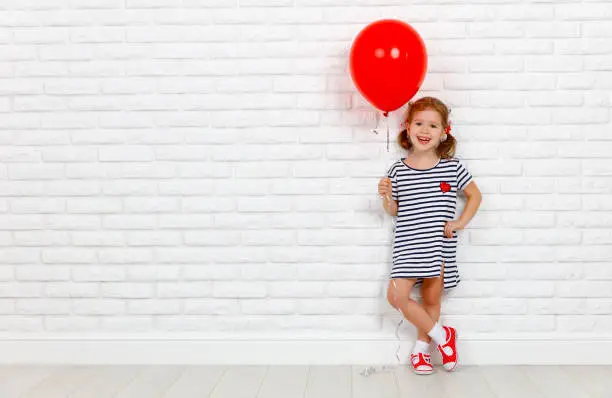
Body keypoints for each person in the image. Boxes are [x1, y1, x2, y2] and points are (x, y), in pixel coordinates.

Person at [378, 97, 482, 375]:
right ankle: (442, 336)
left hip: (438, 245)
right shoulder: (398, 170)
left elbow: (475, 195)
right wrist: (386, 197)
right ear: (408, 127)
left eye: (433, 125)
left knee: (431, 299)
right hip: (408, 245)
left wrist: (460, 222)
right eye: (419, 123)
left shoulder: (452, 167)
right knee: (397, 297)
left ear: (444, 131)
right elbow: (394, 210)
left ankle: (421, 352)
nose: (425, 130)